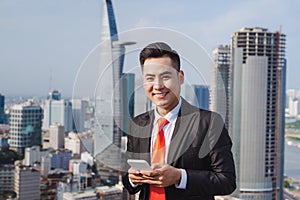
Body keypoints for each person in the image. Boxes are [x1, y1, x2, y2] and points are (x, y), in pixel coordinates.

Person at [122, 42, 236, 200]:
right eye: (150, 78)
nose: (158, 85)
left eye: (165, 77)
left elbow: (226, 181)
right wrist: (132, 179)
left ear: (180, 77)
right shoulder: (138, 124)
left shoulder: (209, 123)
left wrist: (179, 177)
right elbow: (127, 183)